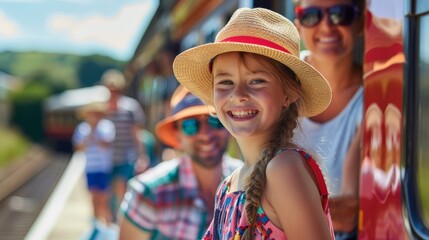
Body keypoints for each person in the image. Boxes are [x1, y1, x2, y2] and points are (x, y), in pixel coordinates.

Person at [173, 7, 334, 239]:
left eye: (257, 80)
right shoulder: (228, 185)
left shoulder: (284, 168)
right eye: (225, 82)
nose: (238, 94)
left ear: (288, 94)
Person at [118, 86, 243, 240]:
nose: (205, 135)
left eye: (215, 121)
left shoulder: (250, 182)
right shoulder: (148, 193)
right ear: (177, 135)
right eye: (190, 126)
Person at [293, 0, 364, 238]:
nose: (326, 27)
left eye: (340, 14)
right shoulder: (278, 82)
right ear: (298, 26)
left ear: (361, 22)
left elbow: (349, 214)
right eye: (311, 16)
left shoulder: (376, 97)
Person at [100, 69, 148, 216]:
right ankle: (108, 223)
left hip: (126, 155)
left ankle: (120, 223)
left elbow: (137, 134)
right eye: (110, 90)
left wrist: (142, 155)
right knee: (106, 193)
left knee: (121, 188)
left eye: (116, 90)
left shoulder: (130, 107)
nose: (113, 93)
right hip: (106, 157)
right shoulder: (102, 109)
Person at [72, 101, 115, 227]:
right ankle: (96, 225)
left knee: (104, 199)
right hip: (90, 167)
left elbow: (106, 143)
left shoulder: (106, 126)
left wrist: (94, 132)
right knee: (93, 198)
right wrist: (90, 133)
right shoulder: (82, 128)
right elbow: (78, 147)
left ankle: (107, 225)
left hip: (104, 167)